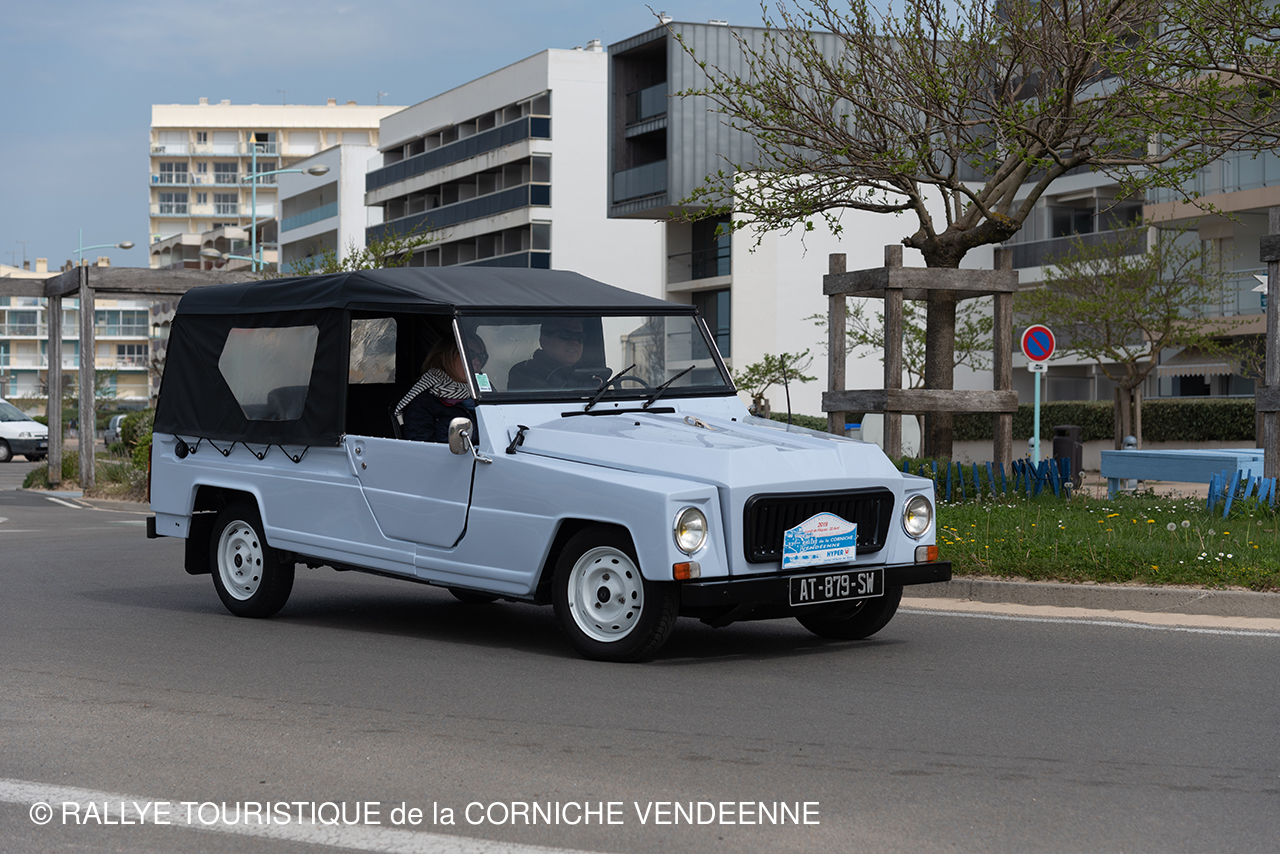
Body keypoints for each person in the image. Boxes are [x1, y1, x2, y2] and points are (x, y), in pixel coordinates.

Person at [395, 333, 486, 443]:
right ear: (448, 357)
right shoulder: (424, 403)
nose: (478, 362)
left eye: (482, 357)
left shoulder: (486, 393)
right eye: (470, 354)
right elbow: (420, 448)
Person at [506, 318, 587, 390]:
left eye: (579, 336)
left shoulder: (590, 371)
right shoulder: (523, 372)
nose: (575, 341)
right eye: (565, 334)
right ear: (544, 341)